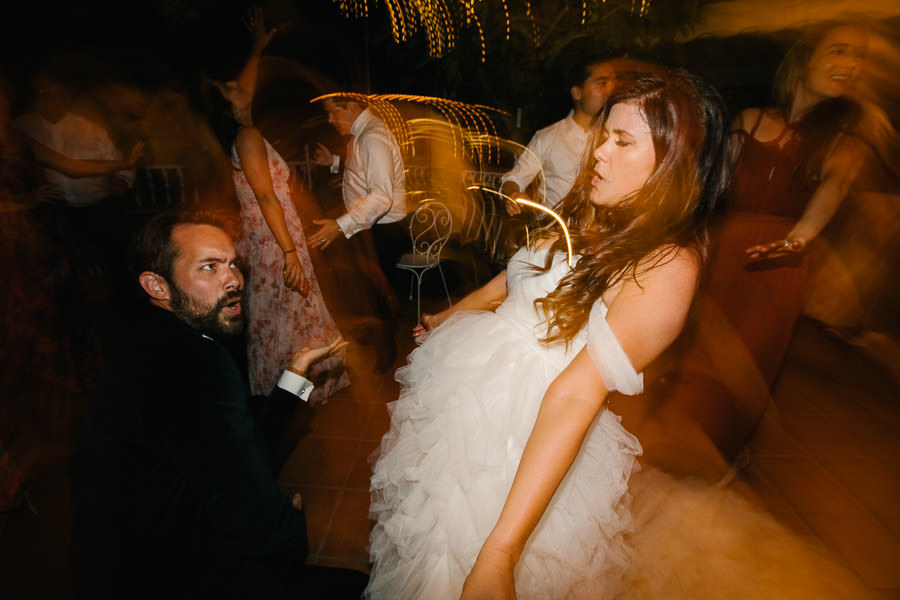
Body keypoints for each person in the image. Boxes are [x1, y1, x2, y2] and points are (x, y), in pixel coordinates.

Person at [366, 68, 732, 599]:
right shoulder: (596, 206)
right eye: (604, 135)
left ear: (676, 162)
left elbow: (576, 392)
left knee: (476, 553)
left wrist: (501, 554)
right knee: (435, 543)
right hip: (474, 396)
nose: (599, 153)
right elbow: (513, 278)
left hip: (530, 428)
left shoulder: (667, 266)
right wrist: (446, 320)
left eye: (622, 141)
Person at [619, 21, 877, 479]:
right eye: (839, 51)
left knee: (747, 363)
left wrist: (801, 237)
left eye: (859, 57)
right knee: (694, 347)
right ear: (806, 58)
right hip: (720, 251)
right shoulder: (750, 119)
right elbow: (711, 187)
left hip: (779, 264)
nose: (851, 65)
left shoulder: (844, 139)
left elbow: (832, 189)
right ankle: (661, 441)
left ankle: (715, 453)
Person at [72, 210, 367, 599]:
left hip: (129, 563)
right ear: (157, 285)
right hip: (178, 571)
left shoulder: (151, 338)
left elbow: (234, 441)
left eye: (233, 264)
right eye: (209, 267)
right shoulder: (192, 362)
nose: (234, 280)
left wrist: (295, 373)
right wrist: (290, 525)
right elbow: (249, 507)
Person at [213, 8, 348, 403]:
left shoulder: (244, 131)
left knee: (288, 316)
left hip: (273, 237)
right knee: (285, 318)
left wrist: (260, 43)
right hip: (276, 243)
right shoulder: (249, 136)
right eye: (229, 87)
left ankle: (294, 390)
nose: (239, 85)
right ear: (227, 103)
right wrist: (289, 251)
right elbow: (266, 196)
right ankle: (287, 392)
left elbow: (247, 84)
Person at [499, 57, 616, 215]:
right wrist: (513, 195)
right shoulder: (548, 137)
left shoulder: (617, 140)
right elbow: (514, 178)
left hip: (601, 237)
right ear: (577, 92)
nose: (611, 90)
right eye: (602, 83)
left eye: (613, 82)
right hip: (556, 233)